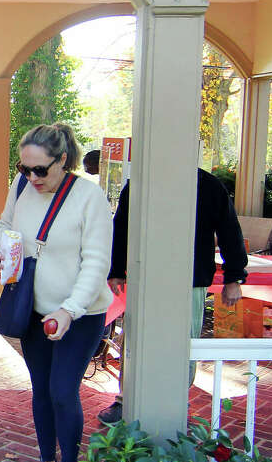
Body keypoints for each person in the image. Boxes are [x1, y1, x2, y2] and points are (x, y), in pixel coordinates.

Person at [0, 123, 113, 462]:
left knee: (64, 391)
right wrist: (8, 252)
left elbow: (97, 261)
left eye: (41, 170)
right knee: (42, 390)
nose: (32, 178)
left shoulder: (89, 197)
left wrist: (70, 309)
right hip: (33, 308)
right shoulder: (21, 186)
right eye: (25, 168)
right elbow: (5, 226)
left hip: (79, 314)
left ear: (63, 160)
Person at [97, 167, 248, 424]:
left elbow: (229, 230)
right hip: (145, 277)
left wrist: (234, 276)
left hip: (191, 281)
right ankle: (126, 400)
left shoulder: (209, 185)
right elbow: (121, 226)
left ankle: (176, 401)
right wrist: (115, 270)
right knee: (135, 341)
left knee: (184, 343)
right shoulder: (140, 184)